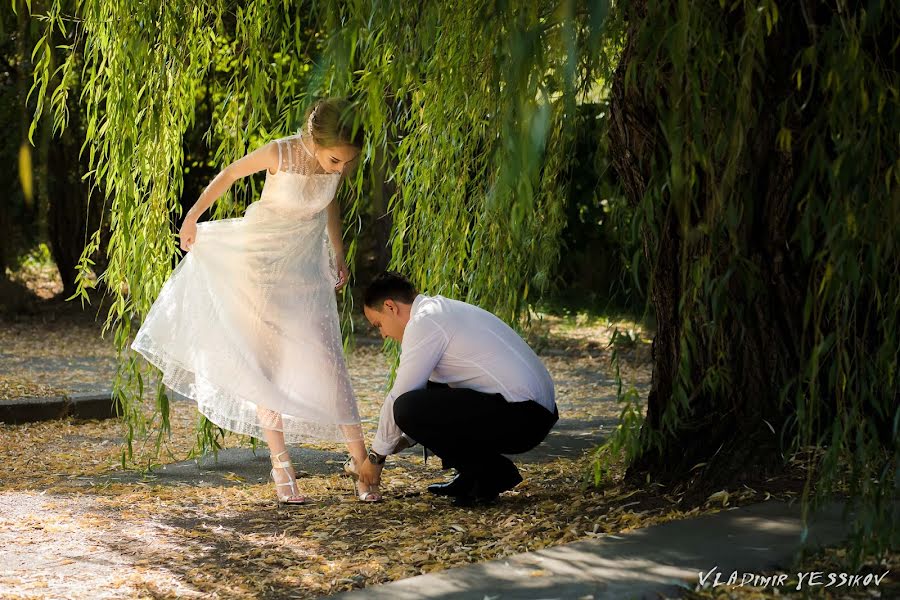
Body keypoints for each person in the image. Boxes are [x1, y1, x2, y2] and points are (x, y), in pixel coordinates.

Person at [131, 98, 381, 504]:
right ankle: (281, 464)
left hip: (303, 269)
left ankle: (360, 462)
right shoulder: (280, 151)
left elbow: (329, 202)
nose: (340, 169)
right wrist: (192, 217)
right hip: (259, 266)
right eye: (335, 159)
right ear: (314, 140)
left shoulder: (334, 168)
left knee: (328, 358)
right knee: (266, 366)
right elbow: (229, 175)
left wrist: (338, 252)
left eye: (347, 164)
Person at [354, 271, 558, 507]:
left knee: (406, 407)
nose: (383, 335)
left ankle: (491, 474)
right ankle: (472, 475)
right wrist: (405, 439)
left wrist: (376, 457)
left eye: (379, 325)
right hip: (534, 411)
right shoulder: (440, 310)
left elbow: (401, 397)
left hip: (525, 417)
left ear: (390, 307)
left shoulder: (424, 322)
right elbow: (432, 395)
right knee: (423, 394)